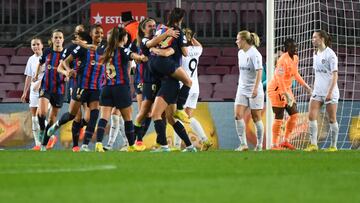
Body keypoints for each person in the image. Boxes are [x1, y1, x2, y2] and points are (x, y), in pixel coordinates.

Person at [46, 24, 105, 152]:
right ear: (91, 34)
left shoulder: (103, 49)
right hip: (80, 86)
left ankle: (84, 145)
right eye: (97, 33)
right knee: (73, 116)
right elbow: (65, 62)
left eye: (101, 33)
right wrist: (68, 71)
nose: (99, 35)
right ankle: (58, 125)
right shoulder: (81, 49)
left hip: (95, 87)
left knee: (92, 116)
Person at [149, 8, 196, 152]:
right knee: (170, 118)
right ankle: (190, 146)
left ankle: (164, 146)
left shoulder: (161, 28)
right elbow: (185, 52)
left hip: (168, 81)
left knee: (156, 115)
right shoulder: (178, 31)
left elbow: (153, 44)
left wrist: (157, 50)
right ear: (181, 19)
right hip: (170, 78)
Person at [93, 27, 147, 152]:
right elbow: (131, 55)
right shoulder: (123, 50)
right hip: (121, 88)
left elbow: (95, 49)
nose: (127, 39)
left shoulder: (105, 50)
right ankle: (132, 146)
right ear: (123, 38)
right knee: (128, 118)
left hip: (106, 88)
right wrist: (140, 58)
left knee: (103, 118)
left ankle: (99, 144)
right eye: (126, 37)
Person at [268, 38, 312, 150]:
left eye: (296, 46)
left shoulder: (296, 58)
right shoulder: (282, 60)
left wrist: (305, 86)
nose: (296, 48)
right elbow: (279, 78)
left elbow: (295, 73)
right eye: (293, 47)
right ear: (286, 48)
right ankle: (274, 145)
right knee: (279, 117)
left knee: (294, 115)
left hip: (286, 89)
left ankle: (286, 141)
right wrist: (285, 94)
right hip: (276, 89)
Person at [173, 28, 213, 151]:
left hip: (184, 86)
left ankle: (176, 146)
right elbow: (200, 46)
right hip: (195, 86)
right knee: (187, 117)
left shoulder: (181, 51)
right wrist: (192, 38)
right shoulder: (196, 50)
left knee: (176, 115)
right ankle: (205, 140)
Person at [304, 30, 339, 152]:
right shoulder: (315, 53)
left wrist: (329, 93)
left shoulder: (331, 55)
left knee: (331, 119)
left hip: (330, 92)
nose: (312, 39)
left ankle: (333, 146)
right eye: (312, 38)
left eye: (315, 37)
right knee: (311, 116)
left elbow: (335, 76)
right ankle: (314, 145)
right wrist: (313, 88)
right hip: (317, 91)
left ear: (322, 39)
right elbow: (317, 74)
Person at [33, 29, 65, 151]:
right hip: (46, 86)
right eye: (55, 37)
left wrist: (67, 75)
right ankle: (42, 129)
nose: (58, 39)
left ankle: (44, 145)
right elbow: (40, 63)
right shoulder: (47, 51)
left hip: (59, 89)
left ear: (63, 40)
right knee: (41, 113)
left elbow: (70, 67)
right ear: (52, 39)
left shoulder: (66, 54)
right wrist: (36, 75)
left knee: (52, 119)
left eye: (60, 37)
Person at [233, 30, 264, 152]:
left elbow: (259, 71)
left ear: (244, 40)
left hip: (254, 90)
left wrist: (255, 88)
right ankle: (243, 144)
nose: (236, 41)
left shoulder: (255, 54)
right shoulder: (240, 53)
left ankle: (260, 145)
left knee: (256, 117)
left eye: (238, 39)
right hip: (242, 89)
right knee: (237, 115)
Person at [21, 37, 44, 150]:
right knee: (34, 118)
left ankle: (50, 136)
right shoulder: (31, 59)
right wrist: (25, 92)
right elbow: (29, 76)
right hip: (33, 91)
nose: (35, 46)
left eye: (37, 44)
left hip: (45, 90)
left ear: (42, 45)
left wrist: (40, 82)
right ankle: (37, 144)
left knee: (41, 115)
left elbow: (50, 74)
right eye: (33, 44)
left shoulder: (47, 57)